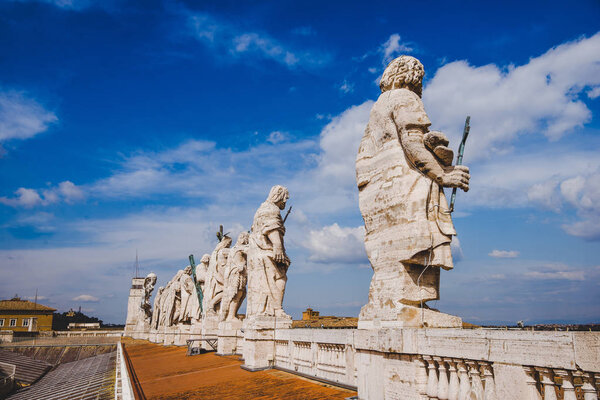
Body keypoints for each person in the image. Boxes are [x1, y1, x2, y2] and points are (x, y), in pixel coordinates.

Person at [356, 55, 470, 317]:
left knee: (392, 252)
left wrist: (429, 142)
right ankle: (408, 304)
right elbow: (411, 143)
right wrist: (443, 175)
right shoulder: (406, 98)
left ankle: (386, 304)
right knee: (417, 240)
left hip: (380, 193)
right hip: (407, 188)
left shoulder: (378, 107)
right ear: (414, 76)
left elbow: (399, 143)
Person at [247, 185, 290, 317]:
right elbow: (271, 228)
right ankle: (277, 309)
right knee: (280, 277)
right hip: (268, 251)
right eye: (285, 198)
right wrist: (278, 247)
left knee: (264, 283)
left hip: (257, 253)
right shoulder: (272, 209)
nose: (285, 202)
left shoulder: (261, 209)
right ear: (279, 196)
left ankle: (267, 310)